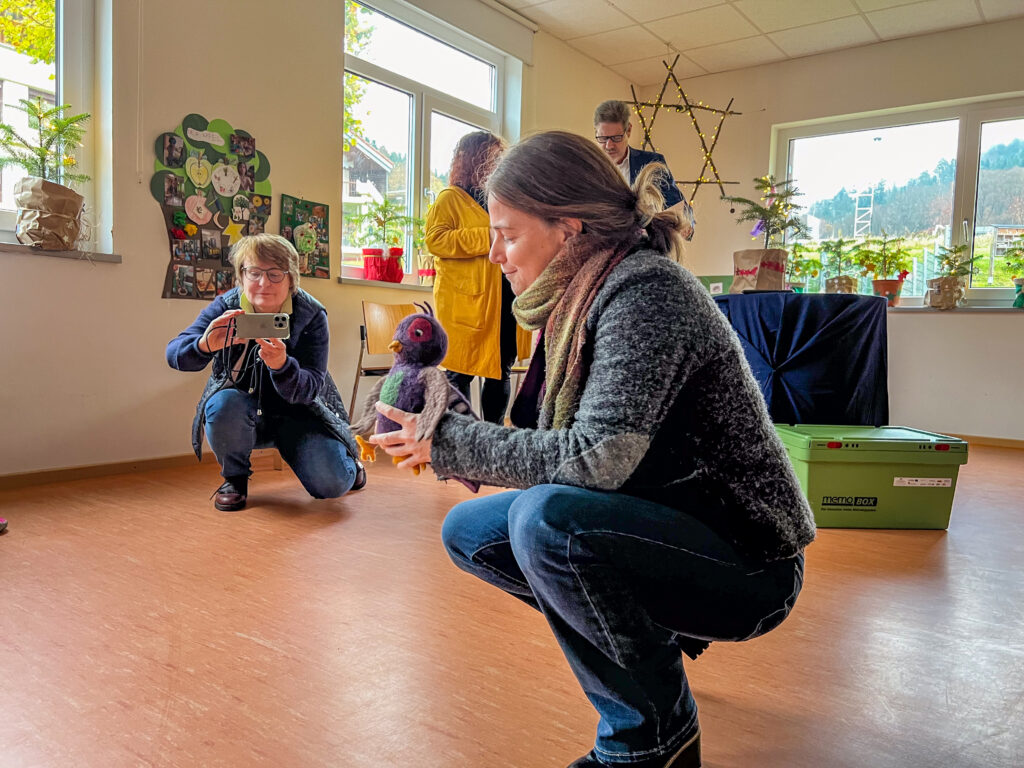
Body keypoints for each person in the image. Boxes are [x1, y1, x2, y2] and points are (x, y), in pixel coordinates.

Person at [370, 132, 814, 768]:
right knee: (471, 531)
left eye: (508, 233)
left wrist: (454, 441)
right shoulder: (580, 294)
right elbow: (568, 449)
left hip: (749, 559)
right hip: (669, 522)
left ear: (568, 228)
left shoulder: (646, 291)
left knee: (545, 522)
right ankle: (647, 655)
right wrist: (455, 426)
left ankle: (651, 738)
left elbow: (597, 456)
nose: (493, 253)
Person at [166, 233, 364, 511]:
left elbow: (312, 387)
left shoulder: (311, 314)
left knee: (332, 485)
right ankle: (234, 479)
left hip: (300, 414)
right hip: (241, 412)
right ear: (241, 276)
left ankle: (351, 465)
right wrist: (203, 345)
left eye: (275, 274)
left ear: (291, 279)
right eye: (254, 272)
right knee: (222, 403)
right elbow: (174, 353)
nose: (263, 283)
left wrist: (282, 366)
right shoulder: (226, 307)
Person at [425, 130, 520, 424]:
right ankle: (461, 441)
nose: (498, 162)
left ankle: (492, 439)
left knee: (500, 370)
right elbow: (435, 240)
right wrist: (489, 235)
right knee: (459, 371)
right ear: (474, 159)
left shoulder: (499, 198)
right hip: (465, 304)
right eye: (493, 156)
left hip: (503, 298)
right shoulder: (449, 198)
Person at [593, 99, 689, 215]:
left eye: (616, 137)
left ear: (628, 130)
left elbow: (681, 210)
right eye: (603, 138)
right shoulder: (586, 167)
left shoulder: (652, 162)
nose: (609, 145)